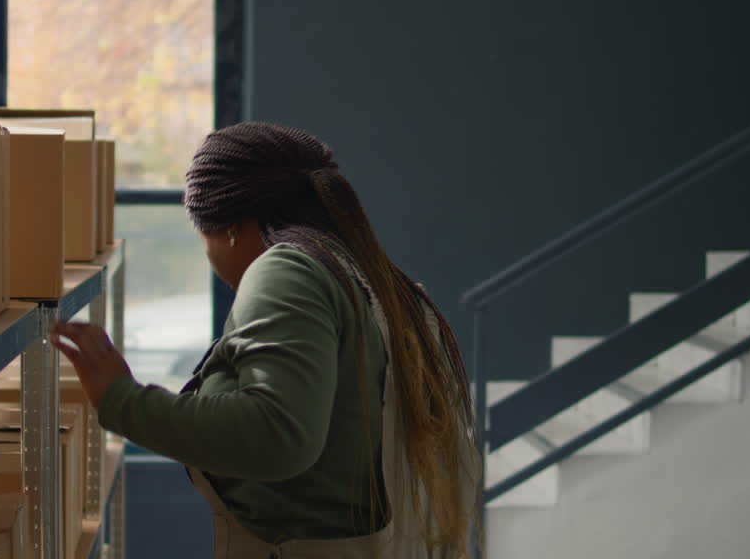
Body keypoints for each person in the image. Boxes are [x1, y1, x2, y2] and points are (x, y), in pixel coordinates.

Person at [51, 122, 480, 559]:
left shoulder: (288, 272)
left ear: (232, 227)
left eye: (205, 239)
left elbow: (278, 435)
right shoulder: (382, 285)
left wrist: (122, 401)